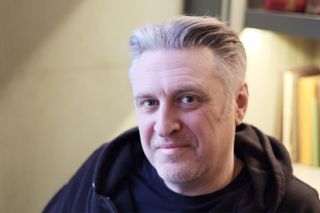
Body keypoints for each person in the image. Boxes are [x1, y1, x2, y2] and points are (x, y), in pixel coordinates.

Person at [43, 15, 320, 212]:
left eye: (188, 99)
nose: (164, 126)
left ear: (239, 103)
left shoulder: (295, 206)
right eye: (149, 103)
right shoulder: (103, 172)